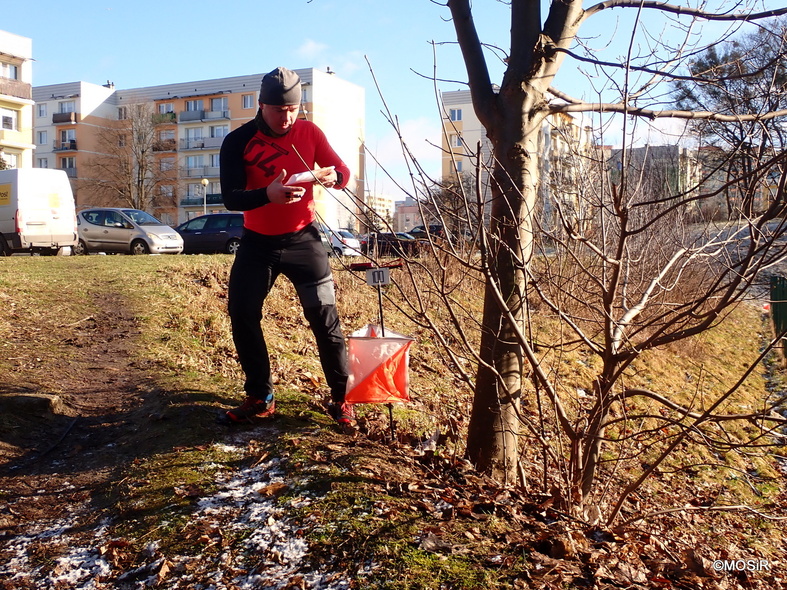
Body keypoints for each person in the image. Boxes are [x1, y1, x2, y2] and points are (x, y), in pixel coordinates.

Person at [218, 66, 354, 432]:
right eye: (279, 110)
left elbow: (342, 170)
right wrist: (268, 195)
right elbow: (231, 198)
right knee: (242, 313)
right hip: (257, 243)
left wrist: (332, 176)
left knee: (325, 321)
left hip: (304, 240)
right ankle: (261, 397)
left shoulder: (309, 132)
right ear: (261, 105)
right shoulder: (237, 141)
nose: (286, 117)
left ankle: (342, 399)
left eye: (293, 109)